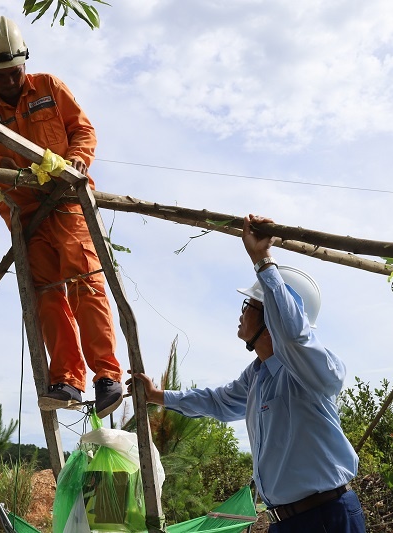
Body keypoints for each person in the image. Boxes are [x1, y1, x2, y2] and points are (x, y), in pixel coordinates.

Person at [130, 214, 366, 532]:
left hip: (325, 517)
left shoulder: (312, 371)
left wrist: (264, 262)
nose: (241, 313)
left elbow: (295, 336)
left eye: (249, 305)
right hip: (286, 520)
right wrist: (158, 396)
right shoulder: (258, 375)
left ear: (272, 316)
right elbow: (217, 401)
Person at [0, 15, 123, 418]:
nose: (7, 81)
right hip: (22, 211)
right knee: (45, 293)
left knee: (84, 280)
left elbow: (83, 131)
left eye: (13, 72)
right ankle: (66, 380)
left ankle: (107, 375)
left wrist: (75, 160)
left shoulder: (49, 88)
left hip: (66, 199)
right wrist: (6, 161)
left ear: (24, 62)